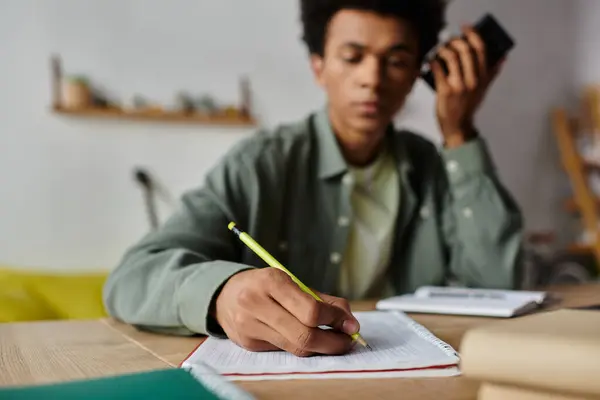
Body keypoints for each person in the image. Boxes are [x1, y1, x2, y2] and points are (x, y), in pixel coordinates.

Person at [103, 0, 524, 357]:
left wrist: (459, 132)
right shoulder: (261, 164)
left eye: (395, 61)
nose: (372, 79)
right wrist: (220, 294)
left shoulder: (435, 166)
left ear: (417, 74)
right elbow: (132, 277)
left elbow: (498, 287)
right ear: (319, 67)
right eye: (353, 56)